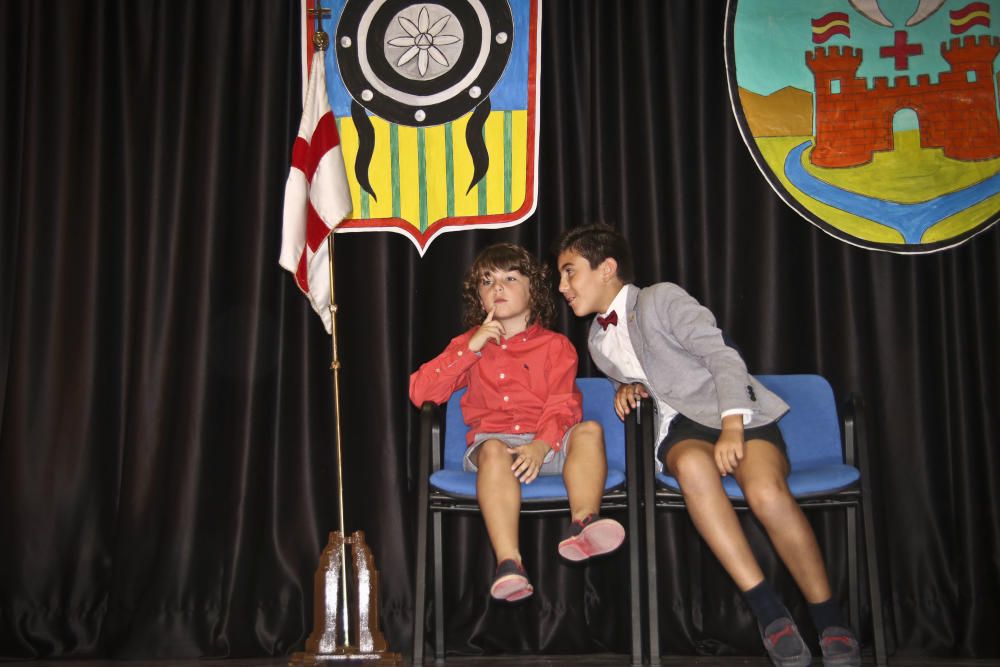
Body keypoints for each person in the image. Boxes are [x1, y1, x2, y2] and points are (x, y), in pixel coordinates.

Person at [555, 224, 860, 667]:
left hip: (732, 412)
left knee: (765, 491)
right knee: (693, 470)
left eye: (569, 272)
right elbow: (649, 376)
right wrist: (627, 387)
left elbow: (723, 356)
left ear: (607, 269)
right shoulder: (597, 340)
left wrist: (733, 426)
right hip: (681, 430)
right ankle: (769, 613)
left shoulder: (661, 297)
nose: (562, 286)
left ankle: (829, 618)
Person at [410, 242, 625, 602]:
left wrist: (542, 445)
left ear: (533, 290)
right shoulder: (468, 345)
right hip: (494, 450)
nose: (497, 287)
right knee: (493, 449)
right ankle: (510, 563)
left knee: (589, 429)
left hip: (548, 444)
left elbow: (563, 404)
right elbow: (421, 392)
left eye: (509, 278)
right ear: (479, 299)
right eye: (487, 281)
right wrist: (471, 349)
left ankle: (584, 522)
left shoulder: (556, 346)